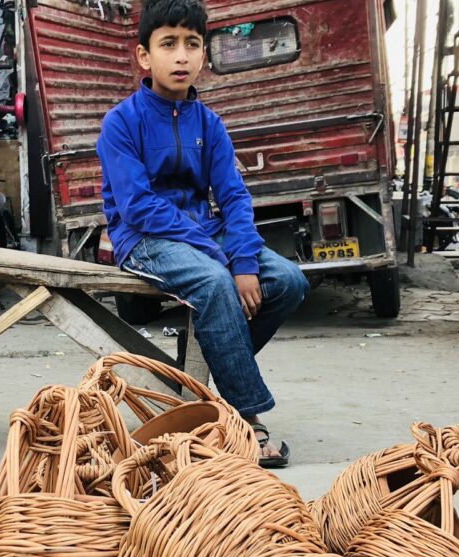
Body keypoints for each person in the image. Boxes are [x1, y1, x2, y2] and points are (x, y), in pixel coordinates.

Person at [97, 0, 308, 468]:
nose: (181, 56)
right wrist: (219, 255)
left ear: (203, 55)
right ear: (143, 57)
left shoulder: (209, 124)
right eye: (168, 43)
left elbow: (233, 196)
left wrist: (246, 261)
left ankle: (205, 369)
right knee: (215, 283)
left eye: (192, 44)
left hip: (203, 234)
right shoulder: (121, 122)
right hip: (141, 239)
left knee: (289, 281)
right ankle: (245, 418)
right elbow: (136, 205)